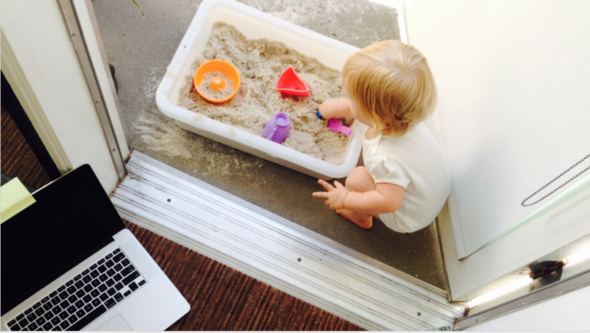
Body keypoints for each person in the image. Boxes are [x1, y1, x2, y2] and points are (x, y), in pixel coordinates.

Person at [312, 40, 451, 232]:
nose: (349, 102)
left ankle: (361, 218)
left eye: (352, 100)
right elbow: (360, 109)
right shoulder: (404, 117)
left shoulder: (384, 157)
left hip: (409, 215)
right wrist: (331, 108)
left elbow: (389, 201)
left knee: (356, 179)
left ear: (375, 116)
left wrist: (347, 199)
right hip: (429, 193)